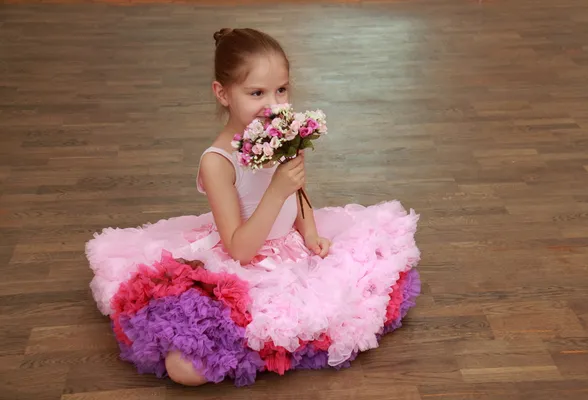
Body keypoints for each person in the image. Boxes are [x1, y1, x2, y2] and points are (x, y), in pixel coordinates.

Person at [86, 28, 421, 388]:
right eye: (256, 93)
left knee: (361, 291)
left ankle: (270, 348)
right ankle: (252, 350)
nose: (274, 106)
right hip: (243, 263)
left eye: (282, 90)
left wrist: (309, 232)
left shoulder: (279, 132)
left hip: (288, 254)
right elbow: (240, 249)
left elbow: (297, 194)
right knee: (184, 369)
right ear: (223, 93)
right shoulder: (218, 162)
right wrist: (276, 191)